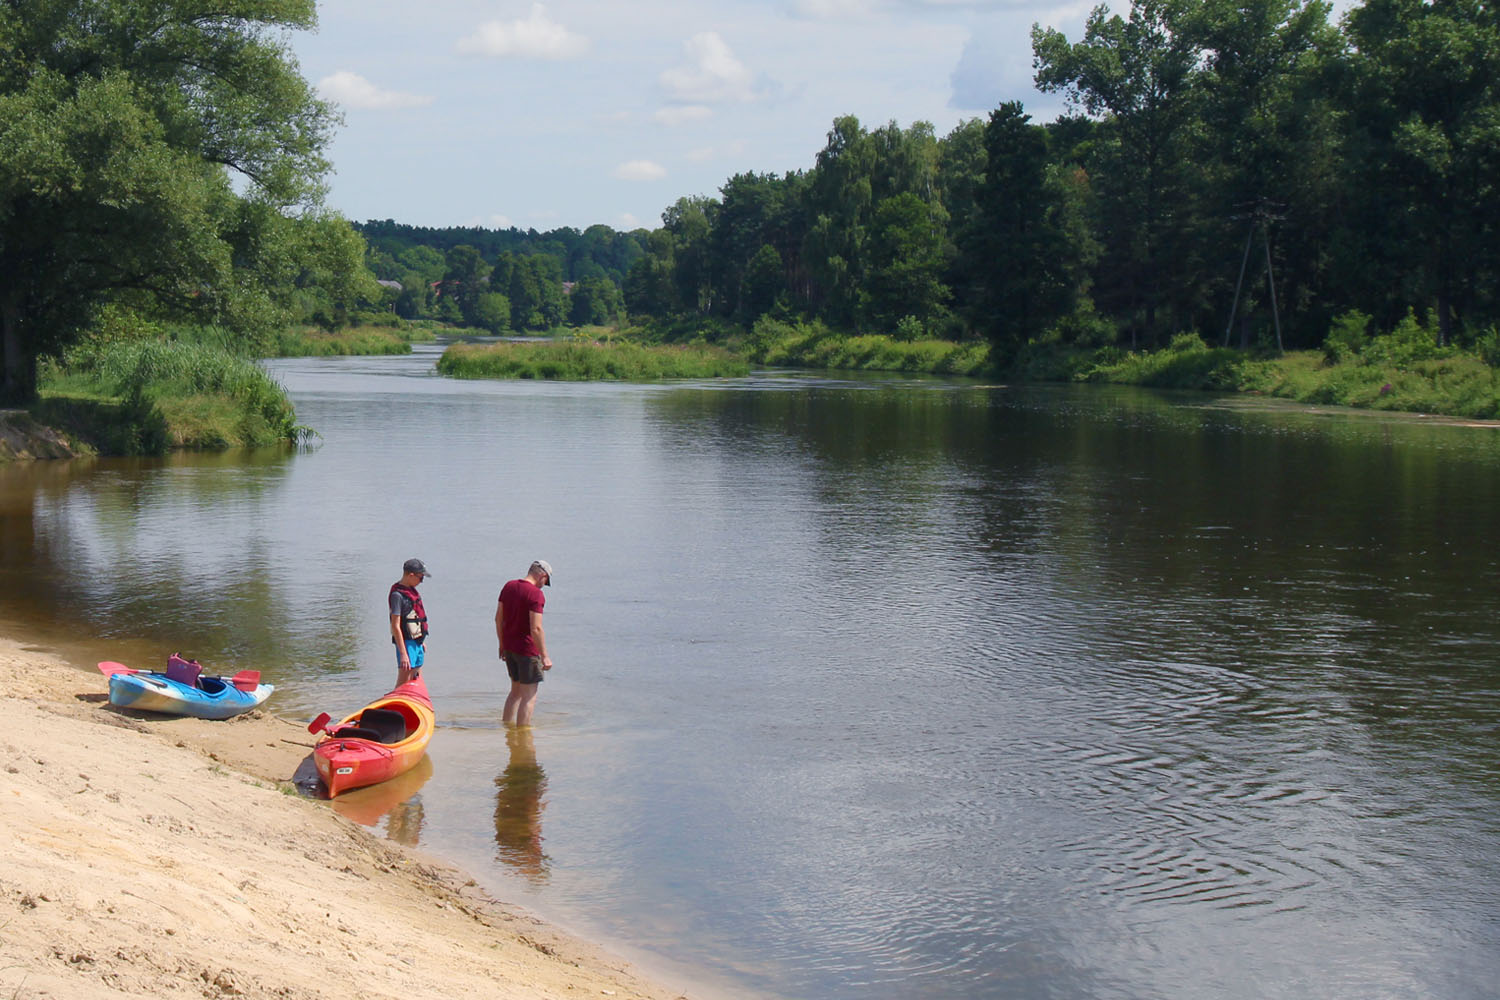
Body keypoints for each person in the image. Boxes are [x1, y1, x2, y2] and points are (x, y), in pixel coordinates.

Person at [496, 559, 553, 725]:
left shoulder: (509, 586)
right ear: (542, 575)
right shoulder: (536, 594)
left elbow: (498, 618)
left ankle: (506, 728)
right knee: (529, 696)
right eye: (545, 581)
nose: (543, 585)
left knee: (515, 692)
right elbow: (536, 628)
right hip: (527, 651)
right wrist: (545, 656)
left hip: (510, 647)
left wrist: (502, 644)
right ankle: (523, 735)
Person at [390, 558, 431, 686]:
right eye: (421, 578)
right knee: (405, 677)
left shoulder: (412, 591)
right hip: (406, 642)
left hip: (416, 642)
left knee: (416, 675)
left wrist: (421, 640)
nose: (421, 581)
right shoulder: (397, 595)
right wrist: (403, 654)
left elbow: (416, 617)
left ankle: (417, 700)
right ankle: (396, 701)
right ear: (411, 575)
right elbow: (395, 626)